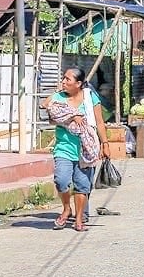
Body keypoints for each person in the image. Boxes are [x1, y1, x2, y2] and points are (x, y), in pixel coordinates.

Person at [42, 66, 108, 232]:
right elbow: (45, 105)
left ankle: (79, 219)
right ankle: (66, 208)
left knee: (82, 185)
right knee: (61, 180)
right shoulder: (59, 97)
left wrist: (105, 144)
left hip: (87, 148)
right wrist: (71, 115)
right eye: (63, 78)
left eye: (68, 79)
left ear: (79, 83)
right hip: (64, 148)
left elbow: (100, 122)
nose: (64, 81)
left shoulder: (90, 98)